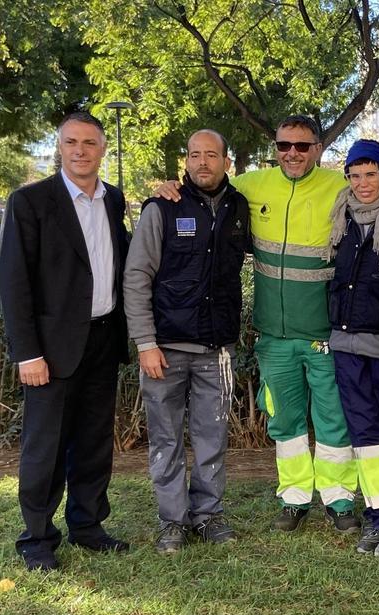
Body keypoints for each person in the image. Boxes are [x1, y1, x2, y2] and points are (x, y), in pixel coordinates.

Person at [156, 116, 359, 536]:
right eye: (285, 145)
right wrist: (169, 188)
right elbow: (204, 187)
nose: (293, 154)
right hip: (273, 336)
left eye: (302, 146)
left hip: (324, 333)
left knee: (333, 419)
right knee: (284, 422)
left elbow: (375, 200)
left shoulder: (339, 187)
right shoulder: (250, 185)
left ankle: (339, 500)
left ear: (317, 149)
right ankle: (295, 497)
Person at [0, 111, 131, 571]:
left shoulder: (114, 199)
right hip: (50, 351)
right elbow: (12, 282)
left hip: (103, 339)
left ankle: (88, 526)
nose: (80, 150)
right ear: (59, 147)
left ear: (102, 150)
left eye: (89, 143)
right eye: (71, 142)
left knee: (94, 442)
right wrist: (27, 352)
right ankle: (37, 538)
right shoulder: (30, 201)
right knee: (46, 447)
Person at [124, 129, 249, 553]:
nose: (202, 162)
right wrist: (145, 342)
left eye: (211, 155)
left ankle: (209, 515)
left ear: (226, 162)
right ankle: (172, 521)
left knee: (213, 436)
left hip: (217, 350)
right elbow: (137, 275)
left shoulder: (240, 208)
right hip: (165, 348)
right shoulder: (163, 206)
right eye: (195, 155)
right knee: (166, 437)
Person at [326, 139, 379, 554]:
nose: (362, 184)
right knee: (366, 436)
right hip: (345, 342)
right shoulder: (338, 214)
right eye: (355, 175)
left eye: (370, 175)